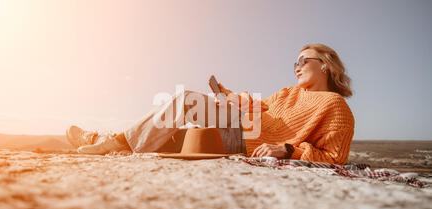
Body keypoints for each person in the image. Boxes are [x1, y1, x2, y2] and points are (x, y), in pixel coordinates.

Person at [67, 43, 355, 164]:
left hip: (246, 138)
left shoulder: (334, 107)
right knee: (182, 114)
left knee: (181, 122)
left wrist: (288, 148)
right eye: (295, 61)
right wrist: (226, 94)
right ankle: (106, 140)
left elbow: (333, 156)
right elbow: (255, 107)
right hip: (241, 122)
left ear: (326, 66)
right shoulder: (285, 92)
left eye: (304, 60)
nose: (296, 66)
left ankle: (107, 141)